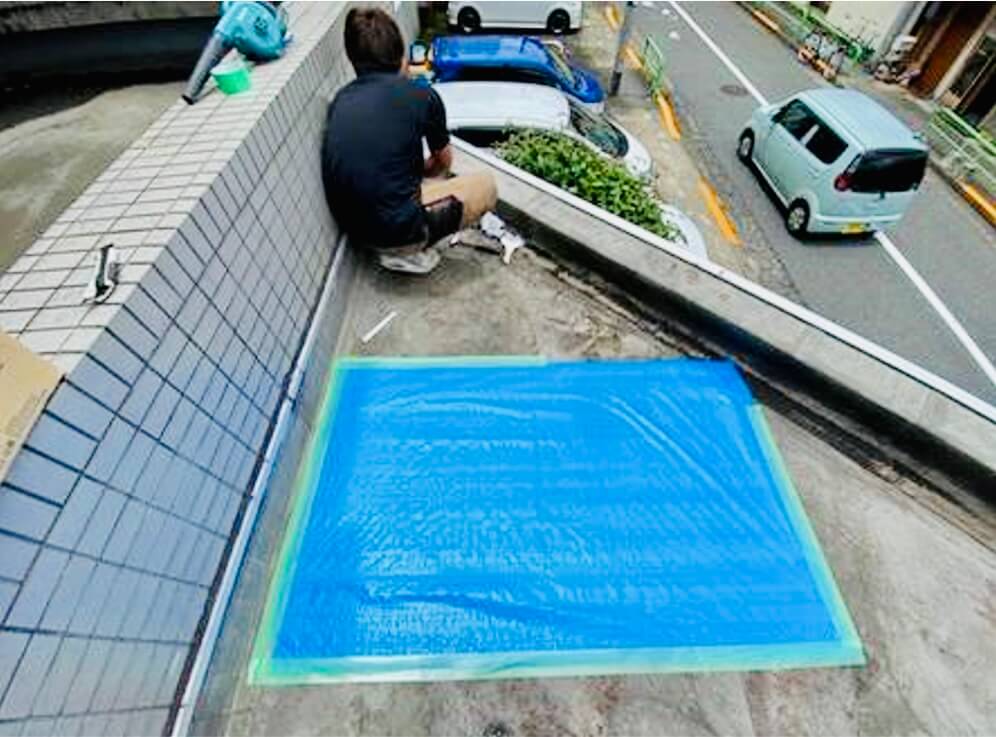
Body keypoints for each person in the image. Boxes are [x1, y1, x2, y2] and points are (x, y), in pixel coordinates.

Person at [321, 7, 498, 274]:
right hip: (395, 232)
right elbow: (443, 163)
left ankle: (403, 237)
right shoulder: (422, 96)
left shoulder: (341, 100)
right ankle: (408, 252)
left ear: (352, 59)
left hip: (353, 229)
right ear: (401, 54)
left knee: (414, 181)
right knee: (485, 184)